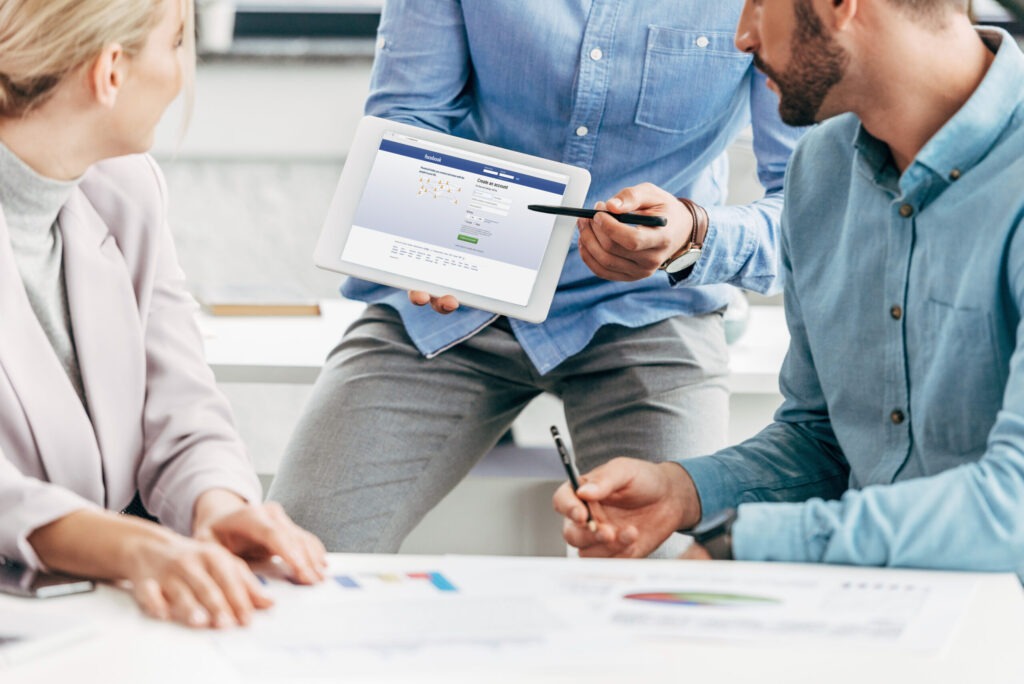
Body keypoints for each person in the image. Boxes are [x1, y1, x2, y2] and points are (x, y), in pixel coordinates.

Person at [268, 0, 804, 553]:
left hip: (648, 311)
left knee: (662, 576)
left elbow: (811, 203)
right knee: (292, 554)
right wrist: (426, 228)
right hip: (457, 303)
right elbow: (409, 120)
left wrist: (694, 235)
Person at [554, 0, 1024, 576]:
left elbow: (1014, 506)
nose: (742, 37)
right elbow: (823, 443)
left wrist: (744, 542)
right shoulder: (821, 170)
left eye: (757, 2)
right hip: (871, 607)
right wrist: (682, 491)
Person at [0, 0, 327, 628]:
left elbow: (182, 403)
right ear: (110, 72)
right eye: (176, 42)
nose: (182, 74)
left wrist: (217, 504)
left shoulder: (125, 188)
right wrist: (131, 546)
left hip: (79, 608)